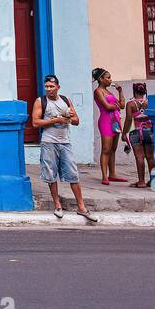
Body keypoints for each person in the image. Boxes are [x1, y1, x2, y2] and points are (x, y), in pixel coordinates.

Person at [33, 75, 98, 223]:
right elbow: (35, 123)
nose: (49, 89)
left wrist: (66, 117)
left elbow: (76, 121)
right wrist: (55, 120)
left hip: (65, 142)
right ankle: (57, 204)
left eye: (52, 86)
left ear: (58, 87)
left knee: (73, 174)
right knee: (51, 175)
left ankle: (81, 207)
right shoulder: (40, 101)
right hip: (49, 142)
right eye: (47, 87)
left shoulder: (65, 100)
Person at [92, 68, 127, 185]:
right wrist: (114, 106)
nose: (110, 80)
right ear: (100, 79)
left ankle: (112, 174)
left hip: (115, 121)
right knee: (106, 149)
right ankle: (104, 176)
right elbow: (107, 107)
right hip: (106, 121)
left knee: (113, 149)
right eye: (108, 77)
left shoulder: (110, 92)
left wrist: (120, 91)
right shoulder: (98, 91)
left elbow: (122, 105)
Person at [122, 82, 155, 189]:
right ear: (144, 91)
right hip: (149, 131)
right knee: (150, 157)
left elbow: (128, 120)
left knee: (139, 156)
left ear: (134, 91)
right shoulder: (149, 103)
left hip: (135, 131)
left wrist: (124, 133)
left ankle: (141, 182)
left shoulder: (130, 104)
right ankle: (154, 181)